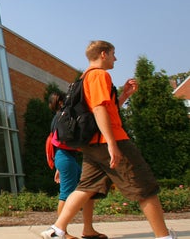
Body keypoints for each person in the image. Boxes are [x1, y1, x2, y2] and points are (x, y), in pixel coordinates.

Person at [40, 40, 176, 239]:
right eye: (113, 54)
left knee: (86, 187)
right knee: (144, 186)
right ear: (103, 54)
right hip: (109, 140)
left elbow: (106, 109)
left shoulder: (83, 78)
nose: (116, 58)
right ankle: (164, 236)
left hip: (92, 145)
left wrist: (124, 96)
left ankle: (56, 230)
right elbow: (98, 109)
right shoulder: (99, 75)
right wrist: (112, 143)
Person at [46, 92, 106, 239]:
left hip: (66, 158)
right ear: (60, 102)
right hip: (65, 158)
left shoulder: (58, 118)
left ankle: (88, 229)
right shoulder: (64, 116)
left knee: (89, 190)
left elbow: (56, 142)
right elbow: (63, 141)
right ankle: (62, 232)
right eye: (65, 99)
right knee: (66, 194)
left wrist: (59, 167)